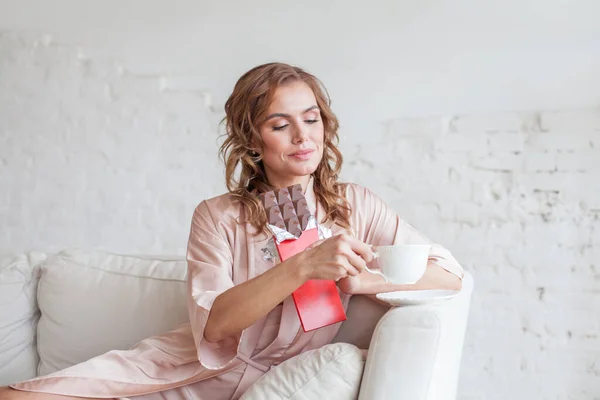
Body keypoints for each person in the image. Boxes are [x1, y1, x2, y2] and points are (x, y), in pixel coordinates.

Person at [2, 62, 463, 400]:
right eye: (280, 125)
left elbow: (448, 275)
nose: (304, 137)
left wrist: (362, 281)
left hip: (273, 386)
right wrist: (303, 265)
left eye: (312, 118)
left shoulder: (355, 205)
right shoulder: (217, 216)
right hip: (174, 371)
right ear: (252, 141)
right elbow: (217, 321)